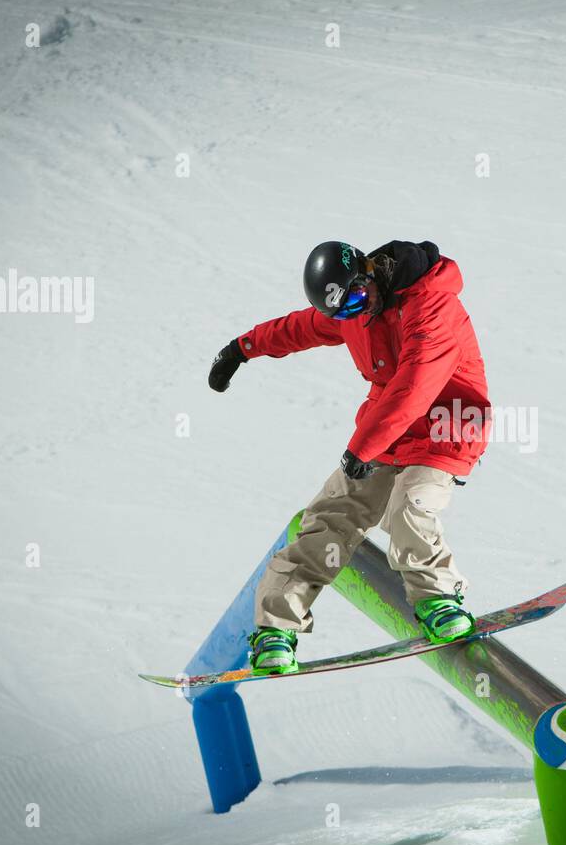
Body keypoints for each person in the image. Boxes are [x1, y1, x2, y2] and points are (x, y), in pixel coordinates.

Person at [207, 240, 491, 674]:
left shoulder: (431, 306)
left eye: (357, 299)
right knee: (330, 517)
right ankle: (276, 629)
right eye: (341, 312)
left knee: (409, 506)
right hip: (385, 432)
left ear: (369, 272)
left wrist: (361, 449)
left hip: (445, 427)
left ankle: (438, 600)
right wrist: (241, 349)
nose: (355, 312)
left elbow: (414, 387)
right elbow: (298, 328)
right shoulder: (354, 313)